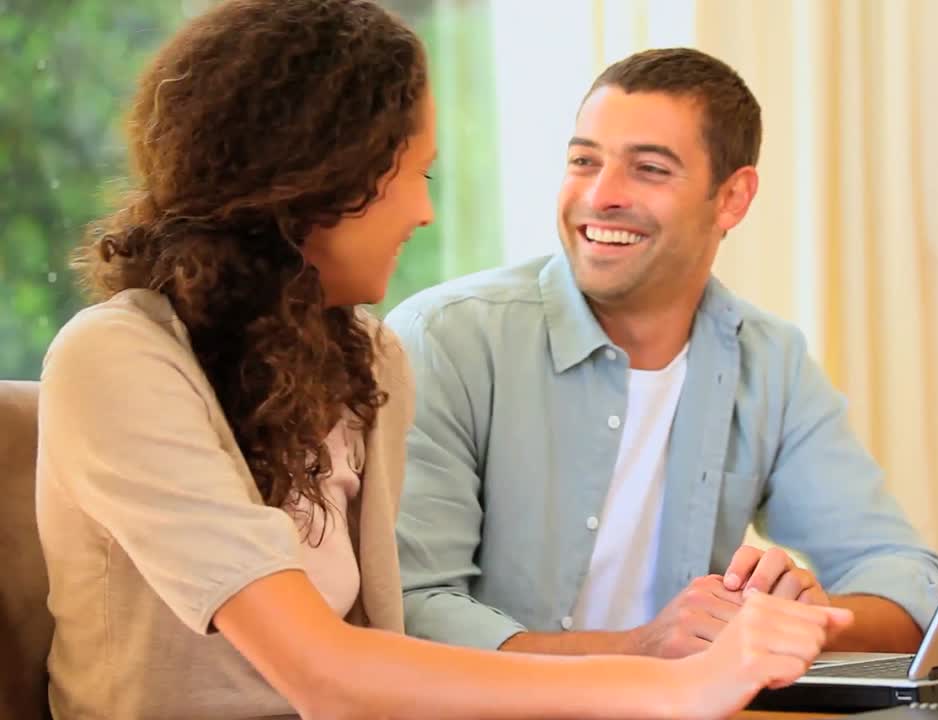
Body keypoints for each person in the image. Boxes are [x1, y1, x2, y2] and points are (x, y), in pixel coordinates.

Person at [35, 3, 850, 719]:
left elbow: (382, 653)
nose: (424, 211)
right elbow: (328, 677)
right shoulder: (119, 357)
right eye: (414, 176)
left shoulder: (369, 358)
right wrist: (669, 684)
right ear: (323, 179)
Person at [387, 47, 938, 659]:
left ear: (733, 198)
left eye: (649, 169)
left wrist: (796, 619)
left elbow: (910, 581)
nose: (601, 195)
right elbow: (411, 609)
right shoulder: (445, 339)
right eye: (584, 161)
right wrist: (638, 651)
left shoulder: (770, 362)